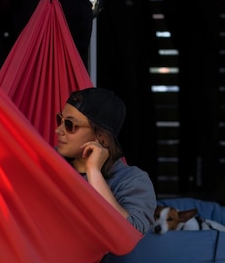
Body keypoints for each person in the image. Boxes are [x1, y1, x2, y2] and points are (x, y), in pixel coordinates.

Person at [55, 87, 157, 235]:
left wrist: (94, 172)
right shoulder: (48, 163)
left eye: (69, 125)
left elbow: (130, 234)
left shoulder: (131, 180)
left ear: (101, 136)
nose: (58, 130)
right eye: (60, 119)